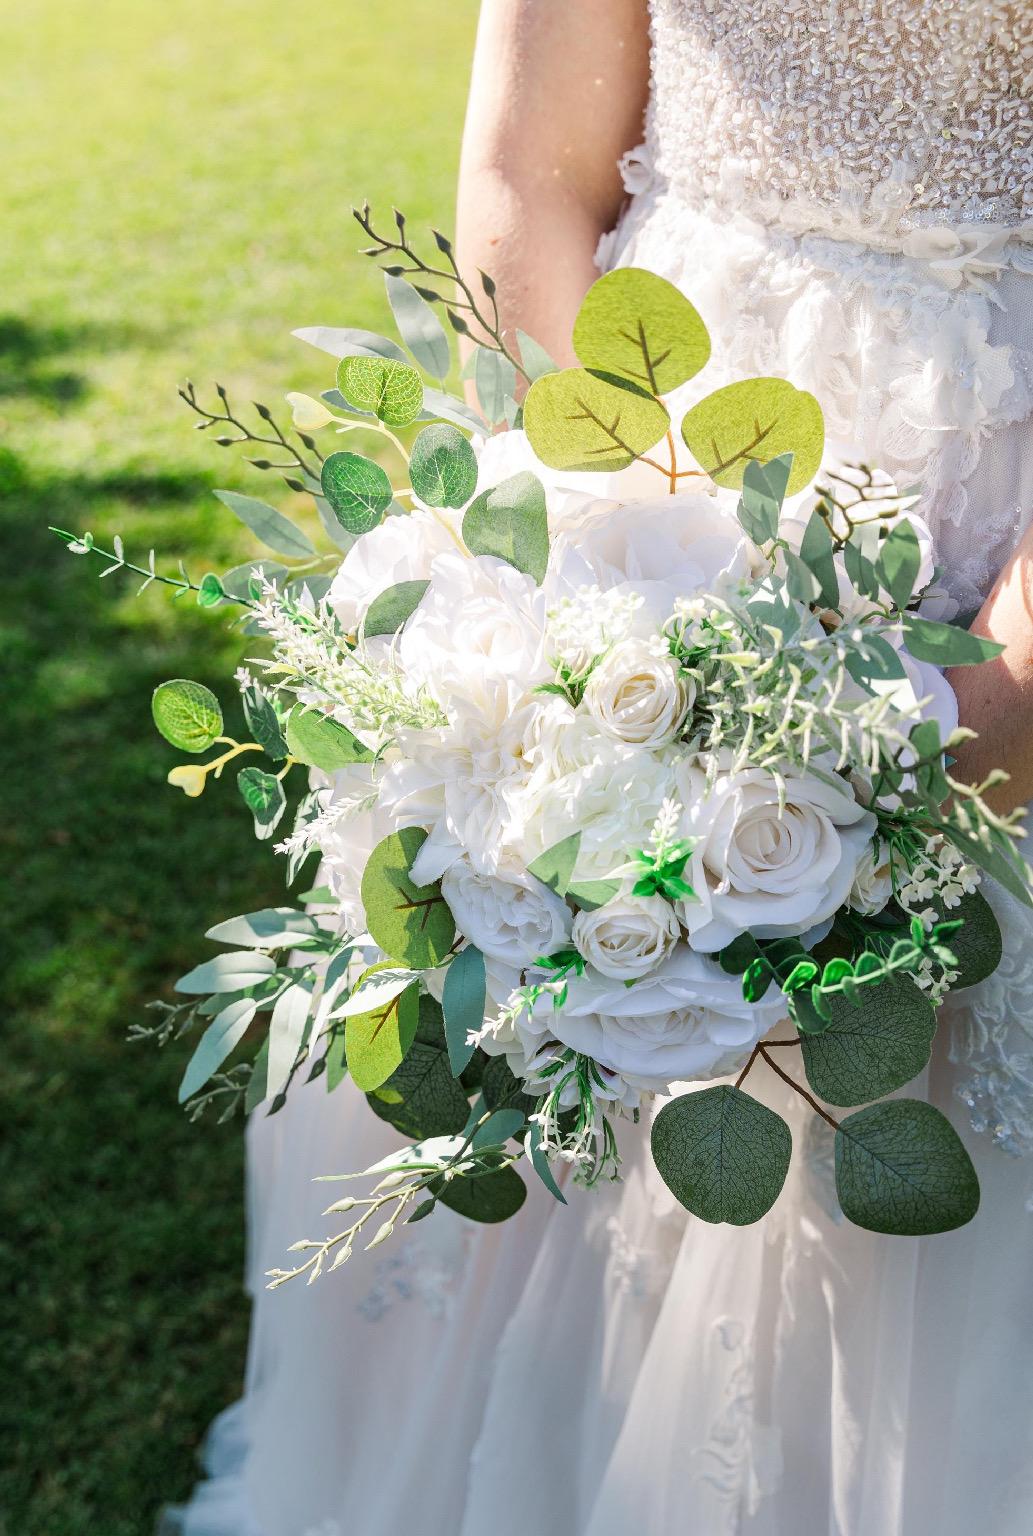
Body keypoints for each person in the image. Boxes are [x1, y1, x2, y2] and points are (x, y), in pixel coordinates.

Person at [165, 3, 1033, 1532]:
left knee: (918, 1040)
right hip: (643, 433)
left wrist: (1002, 698)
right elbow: (532, 178)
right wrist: (582, 593)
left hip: (989, 511)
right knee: (577, 968)